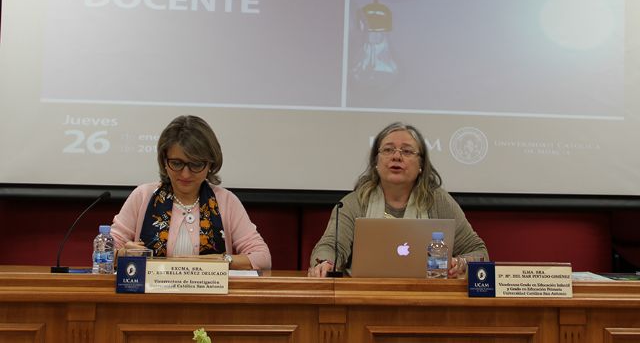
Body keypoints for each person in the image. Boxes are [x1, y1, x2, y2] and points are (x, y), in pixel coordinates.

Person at [308, 122, 488, 278]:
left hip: (427, 297)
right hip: (364, 296)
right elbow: (330, 246)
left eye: (407, 151)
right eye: (388, 150)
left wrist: (460, 263)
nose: (396, 156)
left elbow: (478, 251)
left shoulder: (438, 202)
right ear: (376, 161)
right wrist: (326, 263)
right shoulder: (355, 202)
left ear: (421, 164)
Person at [111, 115, 271, 270]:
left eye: (195, 165)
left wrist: (221, 261)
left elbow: (262, 257)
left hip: (209, 289)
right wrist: (122, 254)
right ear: (164, 161)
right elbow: (104, 252)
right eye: (176, 163)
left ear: (210, 164)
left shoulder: (226, 201)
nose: (185, 174)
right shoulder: (143, 196)